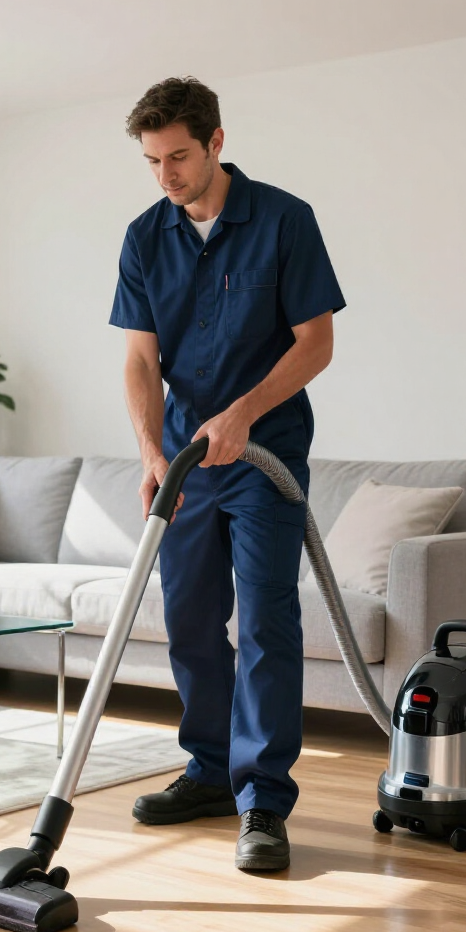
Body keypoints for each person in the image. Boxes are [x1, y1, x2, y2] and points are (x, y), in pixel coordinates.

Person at [110, 77, 346, 871]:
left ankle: (263, 802)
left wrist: (243, 413)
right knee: (187, 622)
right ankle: (209, 772)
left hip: (264, 453)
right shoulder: (146, 237)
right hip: (184, 456)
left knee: (266, 625)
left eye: (179, 156)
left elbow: (315, 343)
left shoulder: (284, 219)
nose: (167, 175)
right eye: (152, 161)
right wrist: (150, 451)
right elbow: (141, 359)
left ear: (216, 141)